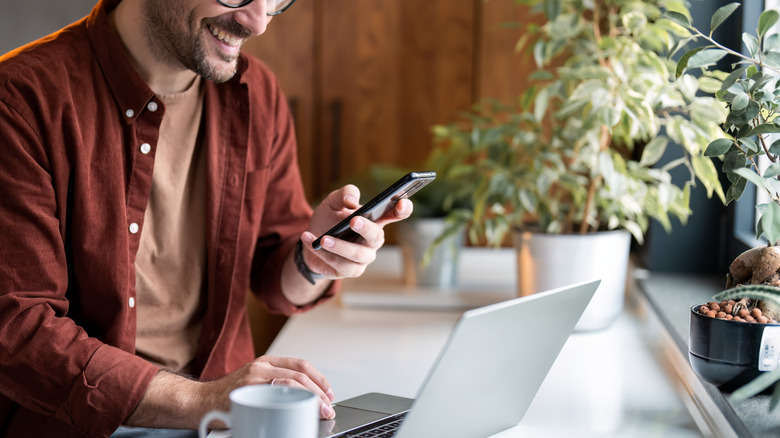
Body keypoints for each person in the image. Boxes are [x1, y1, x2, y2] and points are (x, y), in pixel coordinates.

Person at [0, 0, 413, 436]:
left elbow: (274, 276)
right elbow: (17, 326)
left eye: (274, 0)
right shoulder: (20, 100)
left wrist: (316, 257)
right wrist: (208, 399)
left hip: (225, 418)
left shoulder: (256, 93)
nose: (258, 22)